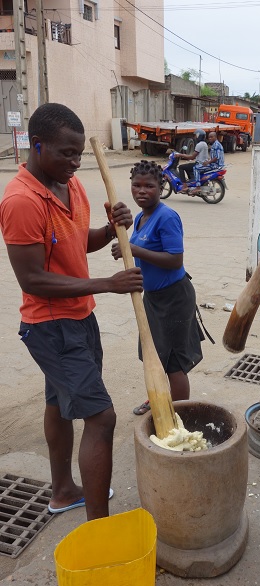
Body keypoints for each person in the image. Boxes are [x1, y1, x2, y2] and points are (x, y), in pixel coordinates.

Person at [0, 103, 143, 521]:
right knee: (102, 416)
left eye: (79, 154)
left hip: (80, 316)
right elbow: (33, 279)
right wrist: (107, 284)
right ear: (37, 145)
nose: (75, 163)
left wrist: (114, 227)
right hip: (50, 326)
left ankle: (63, 491)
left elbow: (77, 242)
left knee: (59, 405)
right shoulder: (22, 201)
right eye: (66, 153)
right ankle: (100, 531)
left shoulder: (71, 184)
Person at [111, 160, 203, 416]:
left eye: (149, 186)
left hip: (174, 298)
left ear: (161, 188)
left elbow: (175, 260)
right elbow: (140, 257)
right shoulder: (141, 217)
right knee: (155, 355)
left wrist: (132, 249)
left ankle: (179, 414)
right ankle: (158, 398)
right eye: (136, 185)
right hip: (153, 299)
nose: (141, 191)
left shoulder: (167, 217)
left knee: (174, 363)